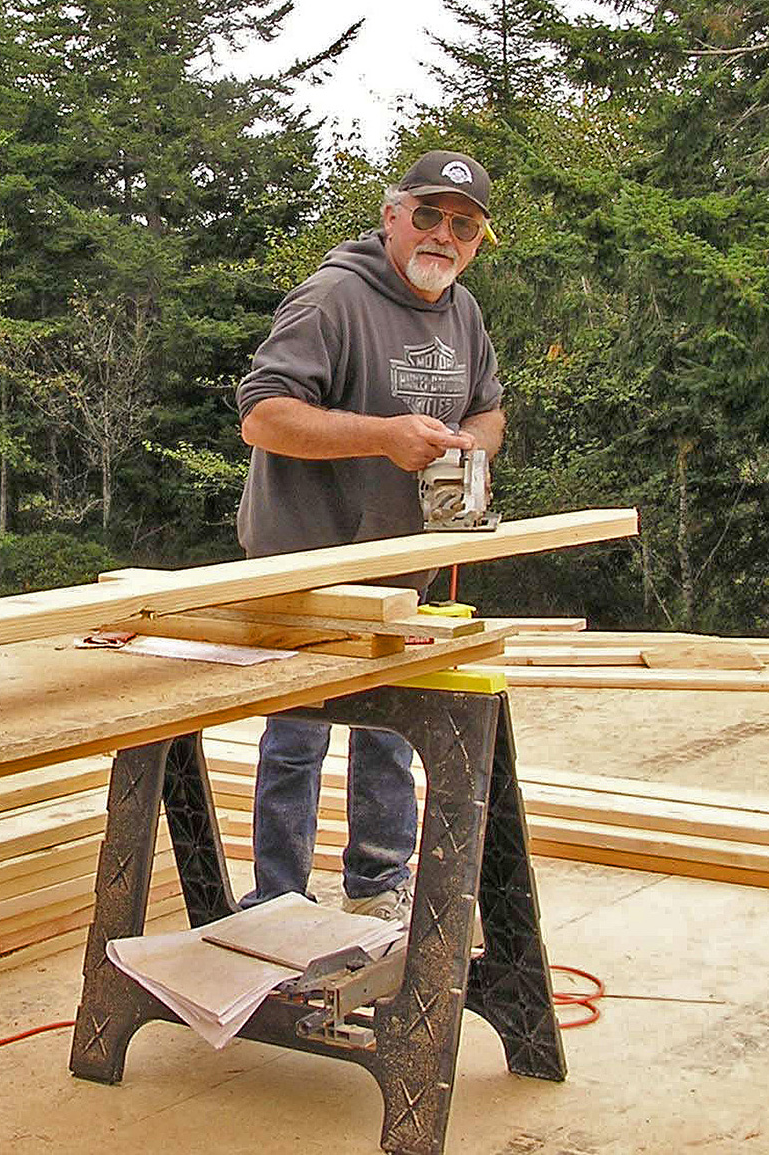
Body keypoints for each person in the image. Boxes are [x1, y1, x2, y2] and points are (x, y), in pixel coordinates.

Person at [235, 149, 506, 922]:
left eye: (464, 225)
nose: (443, 236)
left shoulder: (464, 313)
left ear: (478, 240)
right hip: (304, 562)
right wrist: (381, 436)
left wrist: (471, 450)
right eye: (427, 215)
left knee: (389, 730)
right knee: (298, 734)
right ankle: (277, 902)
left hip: (397, 561)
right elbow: (262, 415)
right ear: (391, 216)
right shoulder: (332, 298)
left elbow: (489, 409)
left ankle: (378, 884)